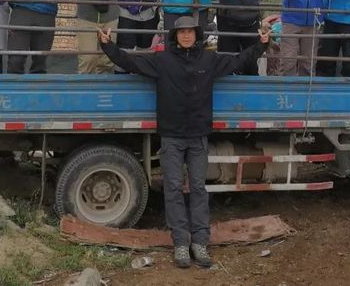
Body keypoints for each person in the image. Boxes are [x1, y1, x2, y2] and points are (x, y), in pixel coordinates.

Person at [97, 17, 270, 269]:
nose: (186, 36)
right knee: (174, 188)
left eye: (190, 32)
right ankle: (180, 243)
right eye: (182, 32)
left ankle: (200, 243)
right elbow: (130, 62)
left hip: (198, 135)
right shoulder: (162, 60)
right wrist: (107, 45)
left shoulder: (209, 60)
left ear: (197, 35)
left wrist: (261, 45)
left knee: (198, 188)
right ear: (175, 35)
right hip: (172, 136)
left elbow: (238, 61)